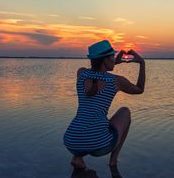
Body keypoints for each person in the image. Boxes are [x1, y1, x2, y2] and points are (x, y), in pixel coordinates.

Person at [63, 40, 146, 169]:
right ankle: (113, 161)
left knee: (87, 123)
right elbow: (139, 89)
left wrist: (113, 62)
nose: (114, 58)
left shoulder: (81, 73)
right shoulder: (116, 81)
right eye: (112, 56)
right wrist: (142, 63)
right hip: (99, 145)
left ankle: (77, 157)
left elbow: (98, 71)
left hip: (71, 141)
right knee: (125, 112)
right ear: (105, 60)